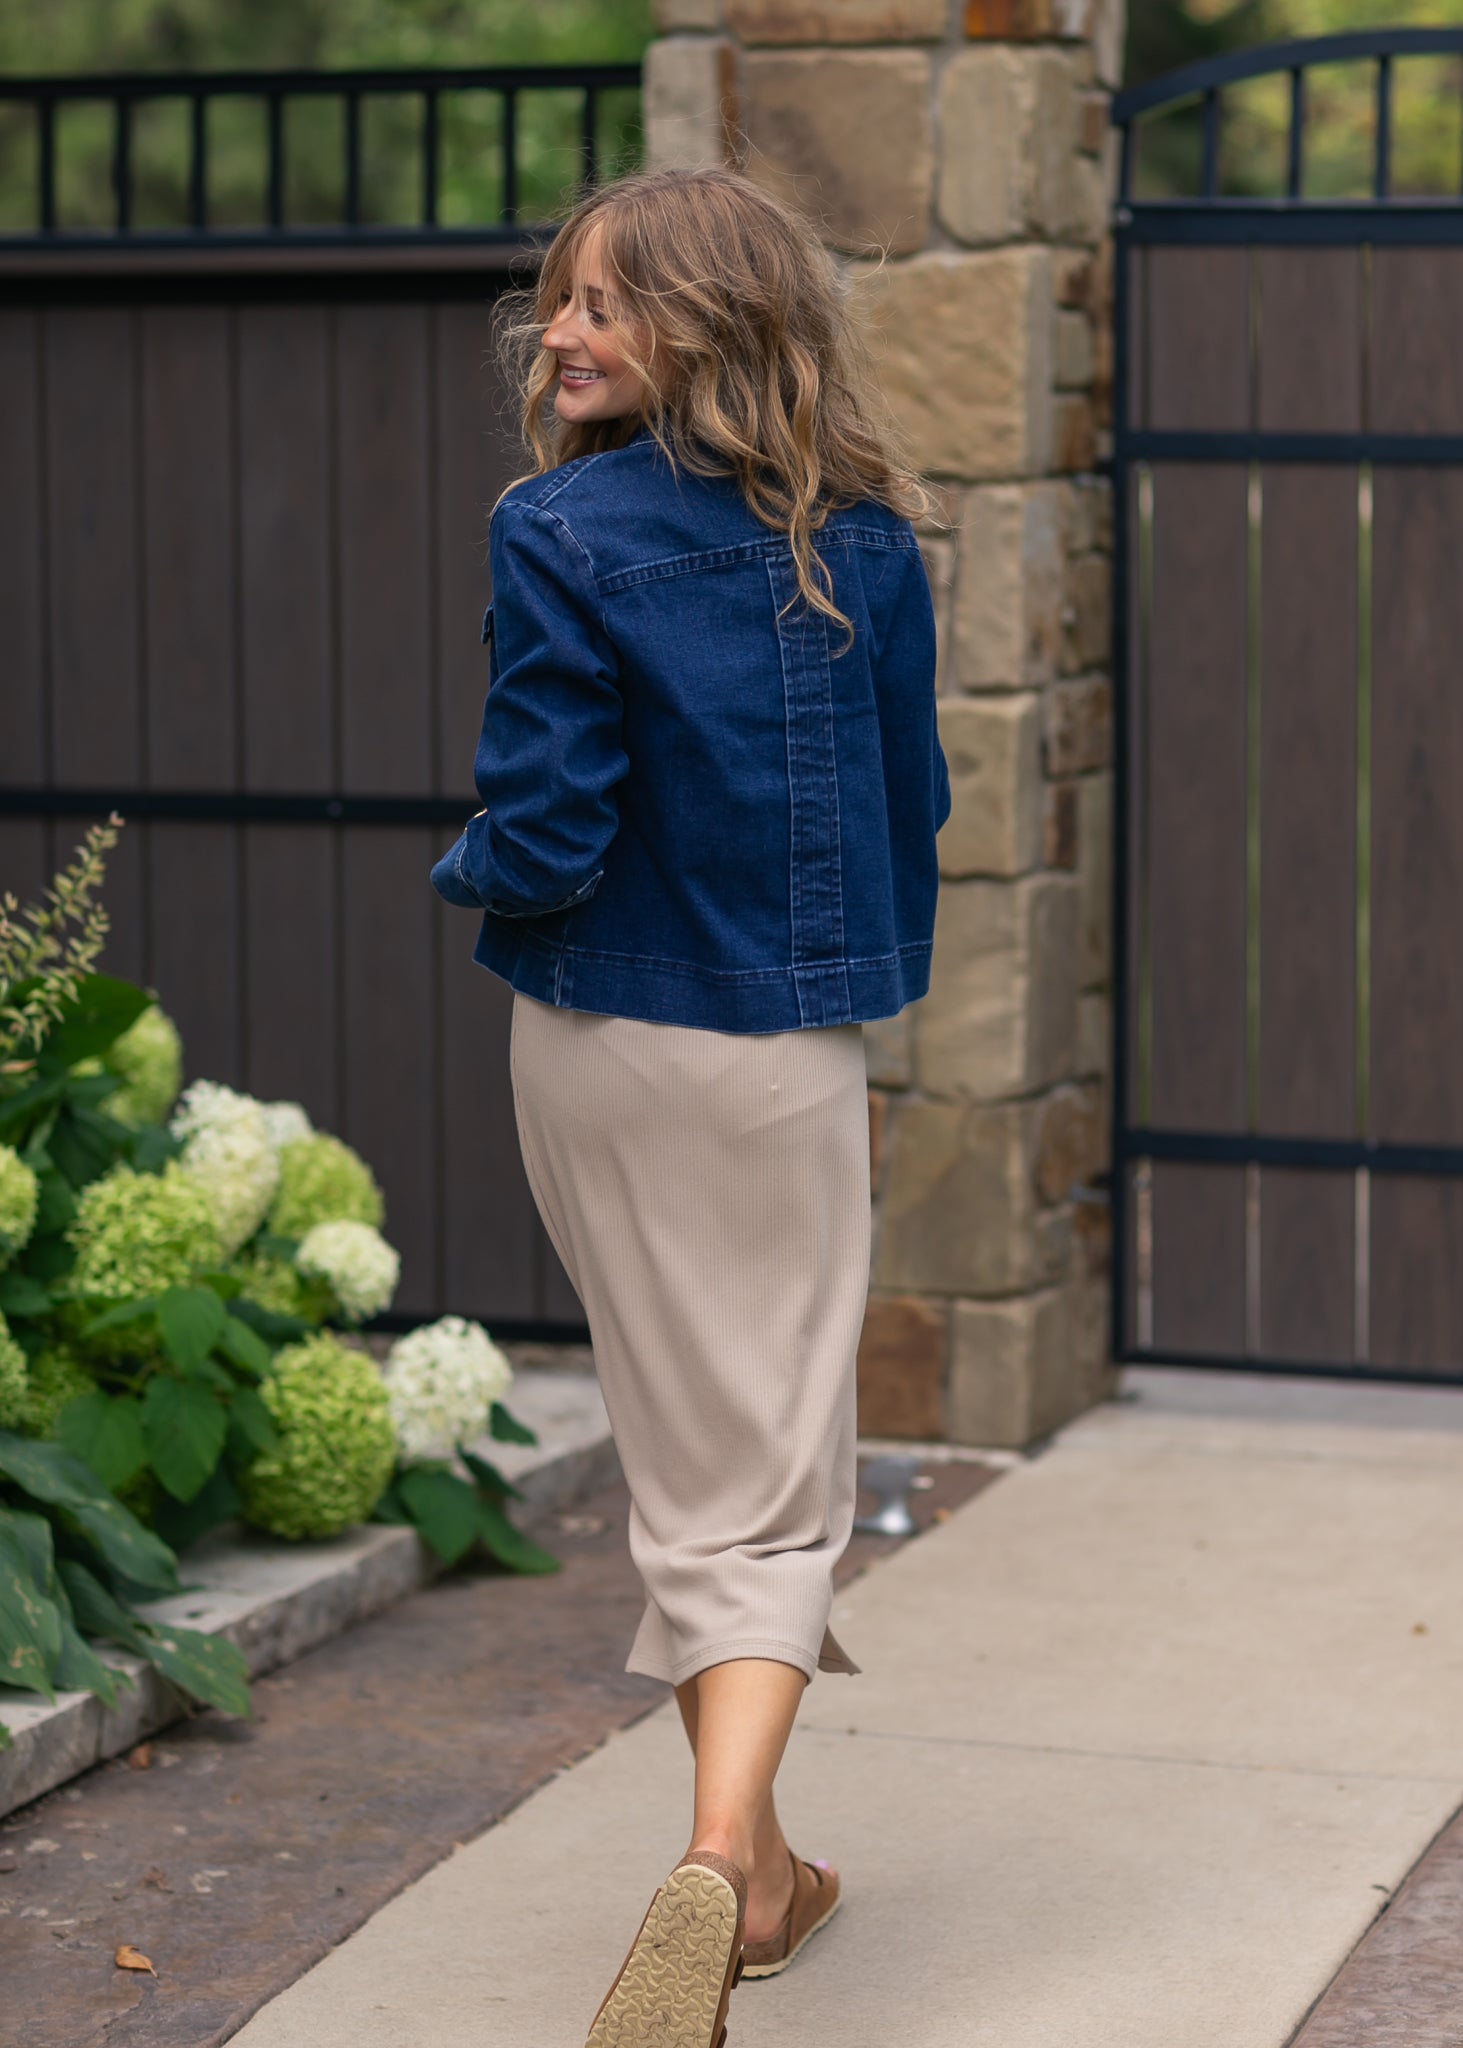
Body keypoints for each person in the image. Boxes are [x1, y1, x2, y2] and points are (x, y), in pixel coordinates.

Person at [431, 164, 949, 2048]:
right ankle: (725, 1857)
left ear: (707, 327)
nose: (560, 333)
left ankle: (767, 1874)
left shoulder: (555, 529)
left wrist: (472, 871)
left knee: (689, 1460)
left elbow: (548, 818)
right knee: (771, 1475)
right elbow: (915, 802)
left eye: (604, 305)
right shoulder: (864, 541)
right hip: (772, 1061)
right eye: (560, 299)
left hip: (592, 1046)